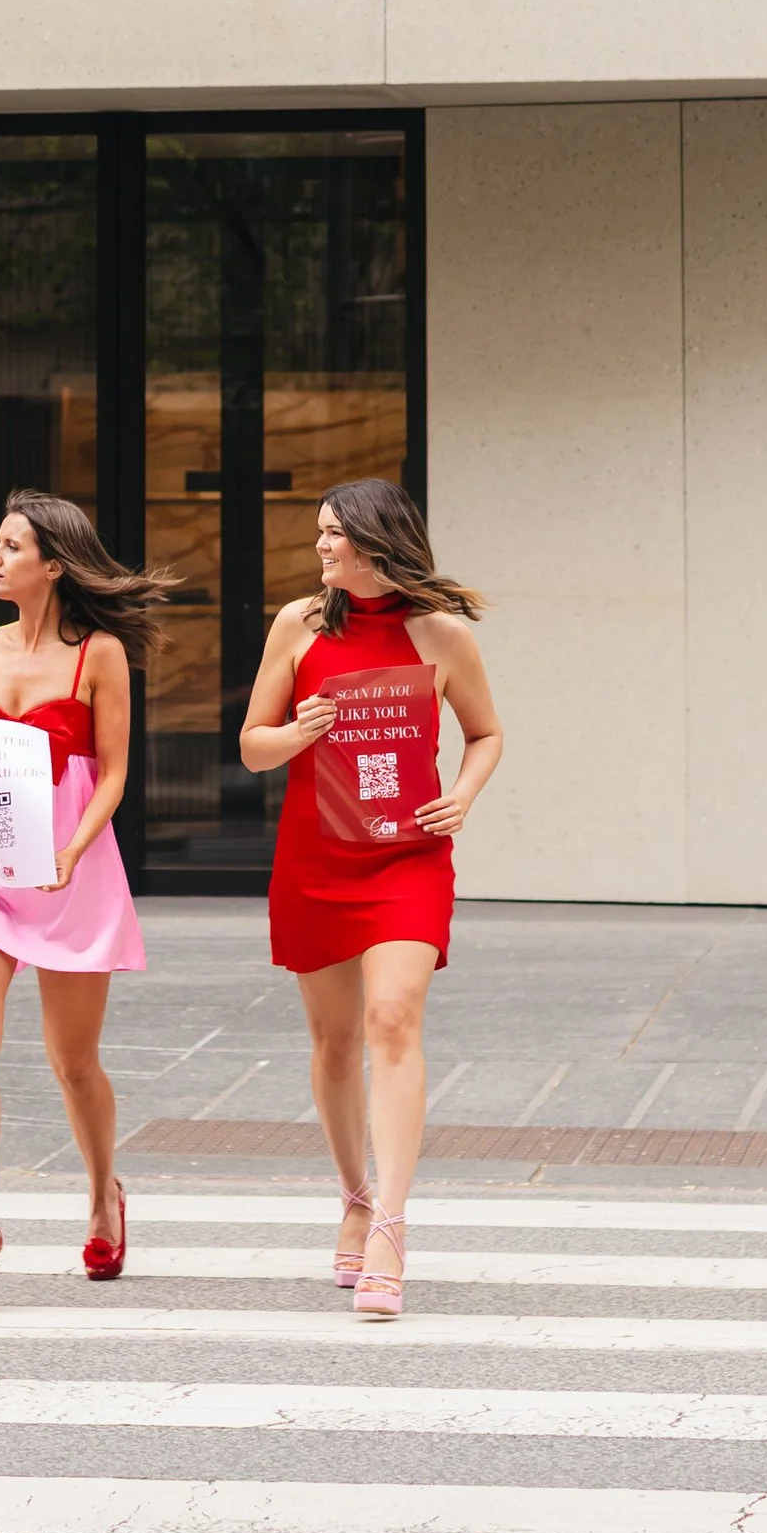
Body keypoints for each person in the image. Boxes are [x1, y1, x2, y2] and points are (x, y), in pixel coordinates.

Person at [240, 478, 504, 1319]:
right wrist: (299, 730)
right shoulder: (299, 625)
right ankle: (354, 1195)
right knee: (334, 1041)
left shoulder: (443, 635)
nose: (320, 547)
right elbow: (252, 747)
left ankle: (390, 1223)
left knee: (393, 1018)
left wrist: (463, 795)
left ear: (375, 541)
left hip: (407, 859)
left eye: (333, 534)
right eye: (318, 533)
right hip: (315, 860)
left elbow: (486, 734)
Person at [0, 489, 174, 1312]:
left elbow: (114, 773)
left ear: (54, 565)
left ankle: (104, 1193)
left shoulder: (98, 655)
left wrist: (72, 851)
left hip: (70, 870)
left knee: (73, 1062)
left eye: (11, 546)